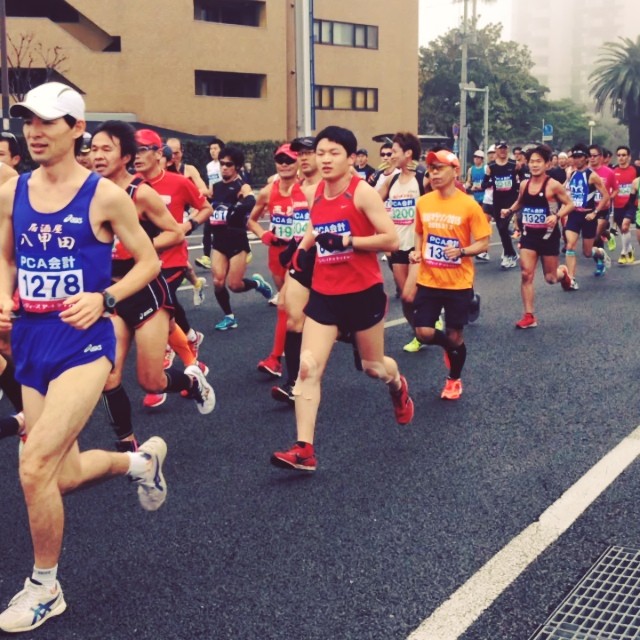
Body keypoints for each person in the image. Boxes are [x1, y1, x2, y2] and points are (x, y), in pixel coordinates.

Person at [0, 81, 167, 633]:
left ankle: (45, 586)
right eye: (28, 121)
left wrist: (106, 297)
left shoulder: (104, 196)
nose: (34, 131)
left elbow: (147, 262)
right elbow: (5, 258)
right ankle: (139, 463)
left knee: (32, 467)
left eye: (48, 122)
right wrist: (3, 296)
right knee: (62, 474)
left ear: (77, 129)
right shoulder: (12, 191)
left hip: (85, 341)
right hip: (31, 340)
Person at [271, 126, 414, 472]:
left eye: (334, 153)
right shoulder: (314, 191)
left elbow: (391, 240)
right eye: (321, 153)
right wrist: (300, 250)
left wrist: (350, 241)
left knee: (373, 367)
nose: (325, 159)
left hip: (362, 294)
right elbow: (316, 227)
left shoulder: (362, 193)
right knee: (308, 367)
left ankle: (398, 386)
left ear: (351, 159)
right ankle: (305, 449)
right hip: (325, 292)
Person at [92, 120, 215, 452]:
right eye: (94, 149)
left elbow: (175, 232)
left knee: (151, 380)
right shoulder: (89, 191)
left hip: (146, 291)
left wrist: (141, 247)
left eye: (107, 149)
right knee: (110, 377)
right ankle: (128, 447)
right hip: (112, 292)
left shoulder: (139, 192)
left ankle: (192, 381)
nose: (98, 156)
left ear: (126, 155)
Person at [409, 149, 491, 400]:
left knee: (456, 334)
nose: (433, 173)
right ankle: (448, 347)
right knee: (422, 332)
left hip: (458, 283)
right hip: (429, 279)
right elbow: (420, 232)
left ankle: (454, 379)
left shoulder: (469, 205)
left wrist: (462, 251)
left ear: (455, 171)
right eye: (431, 169)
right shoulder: (424, 202)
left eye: (439, 168)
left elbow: (484, 242)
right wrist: (416, 250)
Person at [133, 128, 211, 379]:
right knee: (166, 305)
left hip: (173, 257)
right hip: (142, 260)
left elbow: (205, 208)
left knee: (160, 304)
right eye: (133, 150)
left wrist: (188, 226)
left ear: (158, 154)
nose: (136, 156)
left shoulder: (179, 182)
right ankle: (189, 337)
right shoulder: (129, 185)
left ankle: (173, 352)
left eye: (142, 149)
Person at [248, 143, 306, 377]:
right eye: (280, 159)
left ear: (298, 162)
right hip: (277, 253)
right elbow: (251, 220)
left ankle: (276, 359)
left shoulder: (308, 189)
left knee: (285, 304)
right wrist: (264, 234)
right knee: (292, 307)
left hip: (301, 255)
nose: (284, 164)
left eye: (289, 160)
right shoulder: (267, 191)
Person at [270, 136, 321, 405]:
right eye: (299, 153)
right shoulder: (297, 187)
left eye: (309, 152)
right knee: (293, 319)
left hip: (330, 259)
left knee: (346, 328)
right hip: (303, 257)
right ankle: (294, 383)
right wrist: (294, 245)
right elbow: (301, 223)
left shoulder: (328, 185)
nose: (303, 157)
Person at [502, 146, 575, 328]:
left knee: (550, 278)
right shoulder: (525, 184)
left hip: (548, 237)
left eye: (538, 161)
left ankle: (563, 273)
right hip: (529, 236)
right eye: (532, 161)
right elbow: (521, 202)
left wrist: (556, 216)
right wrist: (510, 210)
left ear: (547, 164)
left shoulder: (553, 186)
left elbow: (570, 204)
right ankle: (529, 316)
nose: (534, 165)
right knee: (526, 274)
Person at [210, 145, 273, 330]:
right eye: (221, 164)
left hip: (237, 241)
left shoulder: (241, 185)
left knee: (235, 285)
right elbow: (207, 206)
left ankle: (257, 283)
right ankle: (229, 316)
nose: (224, 168)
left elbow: (251, 200)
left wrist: (239, 207)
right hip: (219, 240)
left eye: (228, 164)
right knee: (217, 281)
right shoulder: (215, 187)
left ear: (237, 167)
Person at [377, 131, 425, 353]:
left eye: (394, 152)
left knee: (409, 294)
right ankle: (419, 333)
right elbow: (372, 201)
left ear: (408, 153)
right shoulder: (392, 179)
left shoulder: (422, 178)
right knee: (405, 300)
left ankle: (431, 317)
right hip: (397, 246)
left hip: (418, 246)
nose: (390, 156)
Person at [563, 143, 610, 288]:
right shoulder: (571, 173)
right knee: (570, 245)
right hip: (574, 215)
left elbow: (606, 196)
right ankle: (571, 279)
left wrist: (595, 212)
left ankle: (600, 253)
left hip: (588, 217)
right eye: (574, 157)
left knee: (588, 253)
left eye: (579, 157)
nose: (576, 160)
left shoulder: (592, 176)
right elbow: (567, 192)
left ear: (586, 158)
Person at [482, 140, 521, 269]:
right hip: (497, 201)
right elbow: (484, 184)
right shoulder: (491, 166)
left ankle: (510, 254)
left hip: (510, 201)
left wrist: (518, 187)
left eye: (505, 148)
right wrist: (492, 182)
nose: (503, 151)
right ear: (496, 151)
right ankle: (511, 253)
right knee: (501, 229)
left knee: (504, 227)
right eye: (500, 148)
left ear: (507, 150)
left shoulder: (514, 164)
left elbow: (523, 179)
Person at [196, 137, 225, 270]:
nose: (213, 151)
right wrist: (207, 192)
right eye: (211, 149)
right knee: (208, 228)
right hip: (213, 200)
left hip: (225, 199)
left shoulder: (225, 164)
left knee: (226, 229)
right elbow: (210, 183)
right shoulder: (209, 166)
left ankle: (244, 249)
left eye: (215, 149)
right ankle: (207, 257)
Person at [588, 143, 618, 254]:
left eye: (594, 156)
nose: (592, 158)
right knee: (591, 236)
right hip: (588, 208)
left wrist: (609, 198)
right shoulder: (585, 172)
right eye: (589, 155)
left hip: (603, 208)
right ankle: (607, 234)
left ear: (601, 157)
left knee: (595, 237)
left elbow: (616, 189)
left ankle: (601, 262)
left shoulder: (609, 172)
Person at [612, 145, 637, 263]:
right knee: (623, 230)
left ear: (629, 157)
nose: (621, 158)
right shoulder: (613, 171)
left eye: (624, 155)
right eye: (619, 155)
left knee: (625, 225)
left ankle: (623, 253)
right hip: (618, 205)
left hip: (632, 204)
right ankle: (630, 248)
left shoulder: (635, 170)